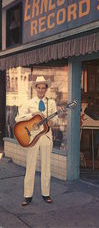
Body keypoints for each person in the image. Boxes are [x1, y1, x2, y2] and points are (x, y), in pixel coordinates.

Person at [15, 76, 58, 206]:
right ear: (35, 88)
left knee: (46, 165)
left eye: (43, 88)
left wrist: (50, 121)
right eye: (38, 87)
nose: (41, 90)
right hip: (32, 137)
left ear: (46, 89)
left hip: (46, 137)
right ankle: (28, 196)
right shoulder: (29, 103)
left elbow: (54, 121)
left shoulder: (51, 103)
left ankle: (46, 194)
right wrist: (31, 115)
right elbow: (18, 118)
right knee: (30, 165)